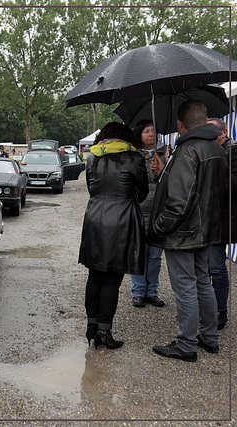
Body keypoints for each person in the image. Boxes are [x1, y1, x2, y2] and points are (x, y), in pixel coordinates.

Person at [150, 101, 228, 362]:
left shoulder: (187, 151)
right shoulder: (217, 149)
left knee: (186, 287)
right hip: (205, 230)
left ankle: (186, 344)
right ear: (205, 121)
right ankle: (209, 337)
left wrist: (159, 226)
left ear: (180, 125)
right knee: (203, 283)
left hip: (182, 233)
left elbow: (179, 202)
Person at [78, 122, 148, 350]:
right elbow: (143, 193)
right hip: (121, 220)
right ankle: (104, 332)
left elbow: (91, 188)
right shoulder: (134, 158)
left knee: (94, 275)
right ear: (126, 137)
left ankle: (91, 327)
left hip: (94, 218)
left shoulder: (93, 157)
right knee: (111, 279)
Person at [129, 120, 167, 308]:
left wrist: (163, 169)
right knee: (138, 254)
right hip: (138, 211)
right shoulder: (134, 156)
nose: (151, 134)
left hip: (158, 211)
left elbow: (172, 181)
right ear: (139, 135)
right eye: (146, 131)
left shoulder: (165, 153)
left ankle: (151, 291)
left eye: (153, 130)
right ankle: (137, 292)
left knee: (154, 256)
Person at [207, 117, 237, 330]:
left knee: (216, 266)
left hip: (224, 218)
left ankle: (220, 311)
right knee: (206, 266)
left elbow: (233, 184)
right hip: (208, 217)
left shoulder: (233, 151)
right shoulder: (206, 151)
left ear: (223, 133)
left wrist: (208, 176)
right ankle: (208, 307)